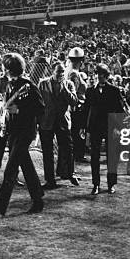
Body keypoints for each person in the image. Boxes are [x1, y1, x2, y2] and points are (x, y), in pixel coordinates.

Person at [0, 53, 45, 228]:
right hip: (14, 133)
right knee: (26, 166)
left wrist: (20, 111)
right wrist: (5, 127)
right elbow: (8, 110)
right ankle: (38, 198)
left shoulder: (28, 86)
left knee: (9, 172)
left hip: (25, 133)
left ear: (8, 69)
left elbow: (40, 109)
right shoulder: (10, 85)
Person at [83, 63, 125, 195]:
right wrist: (84, 127)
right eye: (97, 75)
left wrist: (119, 128)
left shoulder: (114, 90)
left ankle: (111, 184)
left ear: (106, 76)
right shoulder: (90, 91)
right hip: (95, 128)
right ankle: (95, 185)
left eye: (101, 75)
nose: (99, 77)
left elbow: (120, 111)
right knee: (94, 157)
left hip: (110, 127)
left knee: (112, 157)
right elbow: (86, 111)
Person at [38, 61, 80, 189]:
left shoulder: (69, 84)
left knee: (68, 149)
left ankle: (70, 173)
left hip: (62, 122)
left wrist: (65, 89)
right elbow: (38, 102)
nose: (61, 74)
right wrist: (38, 120)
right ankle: (50, 180)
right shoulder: (43, 84)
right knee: (47, 152)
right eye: (58, 71)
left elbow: (74, 102)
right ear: (52, 71)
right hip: (47, 122)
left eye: (63, 71)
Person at [66, 47, 88, 163]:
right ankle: (77, 154)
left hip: (76, 106)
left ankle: (77, 153)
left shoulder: (71, 72)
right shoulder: (74, 74)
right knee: (78, 131)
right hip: (77, 107)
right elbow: (73, 92)